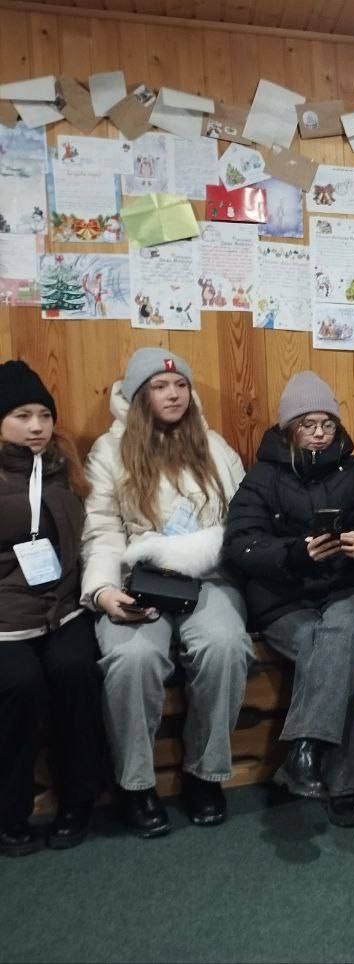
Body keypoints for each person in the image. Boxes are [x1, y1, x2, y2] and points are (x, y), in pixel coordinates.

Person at [81, 348, 253, 839]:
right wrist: (103, 592)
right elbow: (101, 531)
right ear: (140, 395)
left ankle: (205, 774)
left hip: (208, 576)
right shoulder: (109, 452)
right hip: (139, 578)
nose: (173, 394)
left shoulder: (215, 446)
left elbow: (240, 519)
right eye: (159, 386)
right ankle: (136, 784)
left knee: (225, 647)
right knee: (131, 660)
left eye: (179, 385)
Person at [223, 371, 354, 828]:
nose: (320, 434)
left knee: (340, 631)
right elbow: (241, 544)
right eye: (308, 424)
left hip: (350, 588)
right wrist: (296, 553)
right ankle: (344, 785)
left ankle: (304, 749)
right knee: (326, 647)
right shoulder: (262, 478)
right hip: (287, 599)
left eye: (327, 424)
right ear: (289, 429)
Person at [0, 361, 107, 856]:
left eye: (44, 414)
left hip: (61, 609)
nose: (37, 426)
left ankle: (78, 802)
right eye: (22, 415)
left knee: (76, 671)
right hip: (5, 621)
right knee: (18, 686)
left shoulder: (65, 467)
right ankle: (10, 812)